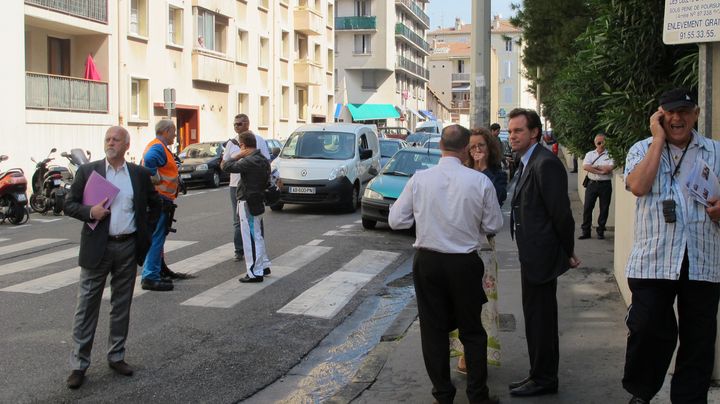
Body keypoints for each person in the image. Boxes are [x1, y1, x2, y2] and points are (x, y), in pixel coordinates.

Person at [389, 124, 503, 404]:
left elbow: (396, 220)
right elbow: (494, 224)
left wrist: (427, 219)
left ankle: (443, 395)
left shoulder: (420, 179)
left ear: (440, 146)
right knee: (472, 330)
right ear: (466, 149)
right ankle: (478, 395)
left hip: (428, 262)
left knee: (433, 331)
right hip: (464, 263)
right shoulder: (479, 181)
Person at [622, 88, 720, 404]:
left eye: (684, 112)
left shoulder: (716, 152)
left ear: (696, 114)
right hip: (654, 258)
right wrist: (658, 141)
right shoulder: (641, 149)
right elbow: (638, 186)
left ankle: (689, 399)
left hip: (703, 257)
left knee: (699, 339)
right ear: (659, 116)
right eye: (670, 113)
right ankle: (642, 391)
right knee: (647, 328)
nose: (677, 118)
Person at [64, 126, 161, 389]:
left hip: (127, 246)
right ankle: (78, 365)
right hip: (98, 247)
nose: (110, 143)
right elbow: (69, 204)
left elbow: (156, 204)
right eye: (107, 139)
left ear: (126, 145)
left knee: (121, 305)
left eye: (116, 139)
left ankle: (116, 356)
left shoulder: (138, 175)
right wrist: (89, 212)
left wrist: (146, 233)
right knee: (86, 308)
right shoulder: (89, 172)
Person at [507, 108, 580, 397]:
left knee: (541, 320)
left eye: (518, 131)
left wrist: (568, 251)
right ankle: (538, 373)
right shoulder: (528, 161)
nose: (512, 136)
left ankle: (544, 378)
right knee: (536, 317)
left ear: (534, 132)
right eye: (510, 131)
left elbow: (561, 214)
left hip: (541, 255)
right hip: (532, 254)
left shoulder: (544, 163)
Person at [454, 127, 508, 373]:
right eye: (472, 146)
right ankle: (464, 352)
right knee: (462, 302)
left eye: (481, 146)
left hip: (485, 246)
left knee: (484, 303)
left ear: (489, 149)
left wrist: (484, 168)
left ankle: (481, 353)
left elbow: (496, 200)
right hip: (461, 245)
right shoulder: (459, 173)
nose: (476, 150)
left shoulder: (496, 174)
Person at [222, 131, 272, 283]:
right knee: (257, 234)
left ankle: (254, 272)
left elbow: (226, 166)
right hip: (257, 200)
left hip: (247, 201)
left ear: (243, 145)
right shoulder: (262, 159)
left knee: (250, 237)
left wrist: (237, 155)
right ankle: (263, 265)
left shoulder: (249, 161)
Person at [141, 119, 180, 291]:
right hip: (160, 200)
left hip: (162, 199)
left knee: (158, 237)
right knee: (156, 238)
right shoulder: (158, 147)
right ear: (165, 131)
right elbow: (149, 160)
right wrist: (154, 177)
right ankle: (150, 276)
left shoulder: (159, 146)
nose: (175, 135)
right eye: (174, 132)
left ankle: (156, 271)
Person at [579, 133, 615, 240]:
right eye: (598, 142)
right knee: (587, 208)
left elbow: (609, 168)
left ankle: (601, 231)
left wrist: (594, 167)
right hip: (592, 184)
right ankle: (586, 232)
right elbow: (585, 166)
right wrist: (600, 170)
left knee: (604, 208)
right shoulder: (590, 154)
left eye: (602, 142)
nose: (600, 145)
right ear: (595, 143)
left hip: (605, 185)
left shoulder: (610, 154)